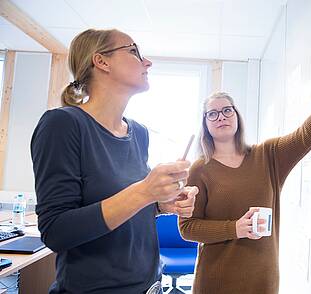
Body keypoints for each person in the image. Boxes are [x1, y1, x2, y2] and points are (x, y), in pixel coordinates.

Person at [179, 53, 311, 294]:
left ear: (237, 117)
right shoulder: (200, 168)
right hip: (215, 281)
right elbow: (187, 228)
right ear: (205, 124)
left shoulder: (268, 155)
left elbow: (305, 134)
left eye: (227, 110)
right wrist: (235, 228)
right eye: (212, 113)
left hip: (263, 280)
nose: (221, 117)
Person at [31, 28, 198, 294]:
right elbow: (56, 232)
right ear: (101, 61)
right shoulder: (63, 124)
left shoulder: (138, 133)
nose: (147, 62)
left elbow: (129, 208)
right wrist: (144, 191)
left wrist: (161, 203)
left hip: (150, 286)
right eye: (133, 51)